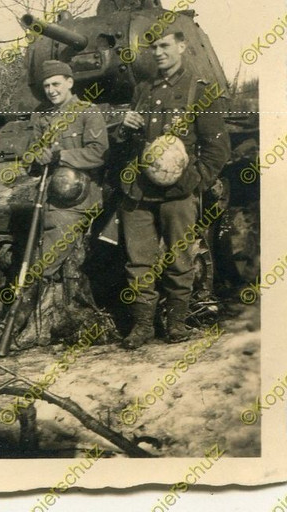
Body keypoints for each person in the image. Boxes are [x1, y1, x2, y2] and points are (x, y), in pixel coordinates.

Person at [119, 29, 230, 347]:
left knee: (180, 259)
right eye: (152, 47)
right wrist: (126, 130)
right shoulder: (142, 89)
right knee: (138, 261)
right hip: (138, 191)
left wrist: (197, 181)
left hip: (179, 193)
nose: (158, 52)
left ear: (182, 46)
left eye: (165, 45)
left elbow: (218, 148)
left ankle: (176, 324)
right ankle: (142, 326)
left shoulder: (199, 90)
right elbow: (129, 144)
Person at [17, 61, 108, 325]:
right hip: (47, 197)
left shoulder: (87, 113)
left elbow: (98, 153)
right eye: (46, 86)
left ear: (70, 82)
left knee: (44, 261)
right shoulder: (41, 116)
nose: (51, 90)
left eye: (56, 84)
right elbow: (30, 157)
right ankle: (36, 314)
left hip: (77, 201)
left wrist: (60, 156)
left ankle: (27, 321)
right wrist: (37, 156)